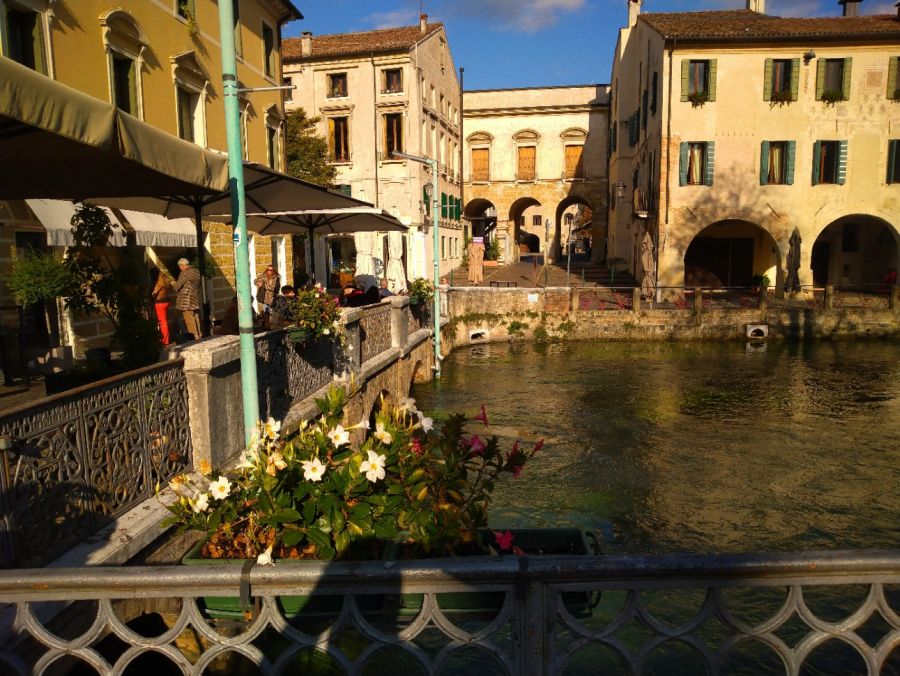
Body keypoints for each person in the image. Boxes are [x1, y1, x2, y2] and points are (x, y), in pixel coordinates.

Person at [174, 257, 201, 340]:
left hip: (186, 299)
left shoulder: (184, 273)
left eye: (180, 266)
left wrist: (174, 285)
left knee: (188, 318)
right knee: (195, 316)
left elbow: (178, 286)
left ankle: (194, 336)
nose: (180, 268)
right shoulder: (196, 272)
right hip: (195, 297)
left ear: (182, 265)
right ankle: (199, 334)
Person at [149, 268, 171, 346]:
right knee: (164, 321)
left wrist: (150, 296)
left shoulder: (159, 283)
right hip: (166, 301)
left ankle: (165, 340)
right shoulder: (165, 281)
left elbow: (154, 294)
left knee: (162, 322)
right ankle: (165, 339)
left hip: (160, 303)